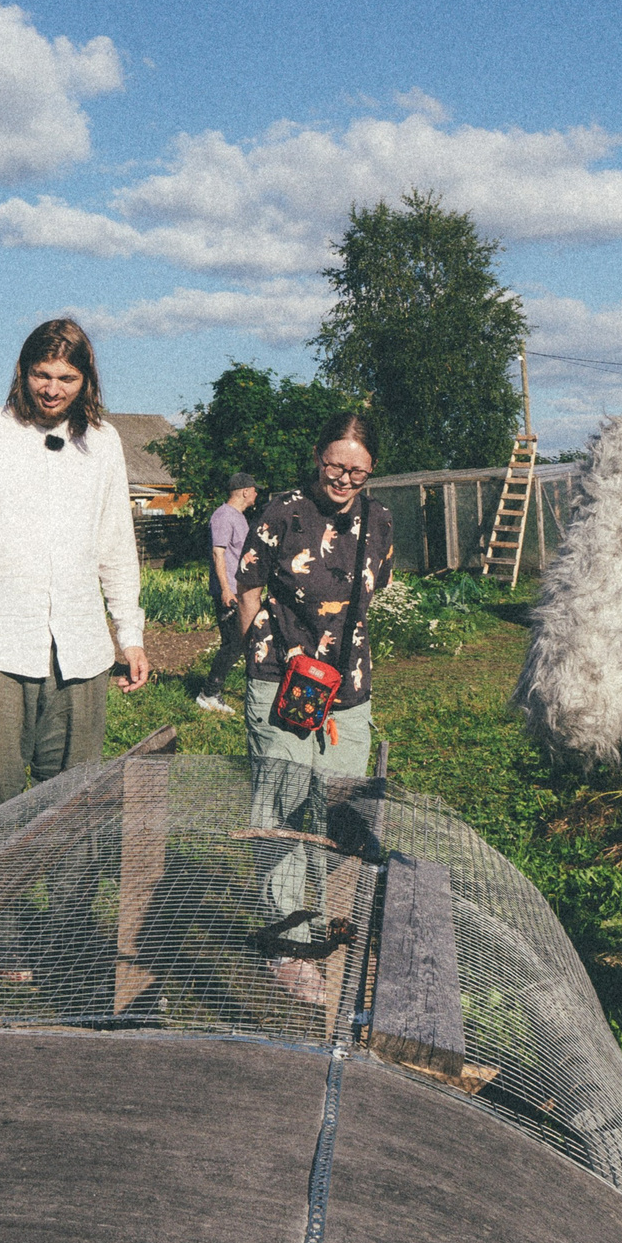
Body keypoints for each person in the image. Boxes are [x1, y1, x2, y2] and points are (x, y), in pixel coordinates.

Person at [0, 319, 149, 826]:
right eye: (42, 375)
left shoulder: (103, 443)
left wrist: (130, 634)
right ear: (22, 372)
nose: (52, 389)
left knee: (77, 803)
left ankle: (68, 906)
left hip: (80, 652)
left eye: (67, 379)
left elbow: (116, 547)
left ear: (86, 381)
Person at [234, 413, 394, 1004]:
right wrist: (262, 648)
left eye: (357, 469)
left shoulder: (380, 520)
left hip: (346, 692)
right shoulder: (283, 512)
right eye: (335, 465)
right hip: (281, 683)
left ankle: (327, 922)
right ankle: (288, 944)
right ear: (317, 457)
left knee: (338, 809)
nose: (344, 478)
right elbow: (248, 581)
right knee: (281, 808)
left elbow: (376, 588)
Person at [195, 472, 258, 713]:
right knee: (233, 643)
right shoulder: (223, 516)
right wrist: (225, 589)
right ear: (244, 491)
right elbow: (217, 553)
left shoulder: (239, 517)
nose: (256, 494)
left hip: (241, 590)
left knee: (243, 641)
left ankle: (219, 690)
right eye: (254, 490)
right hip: (229, 591)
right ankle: (208, 693)